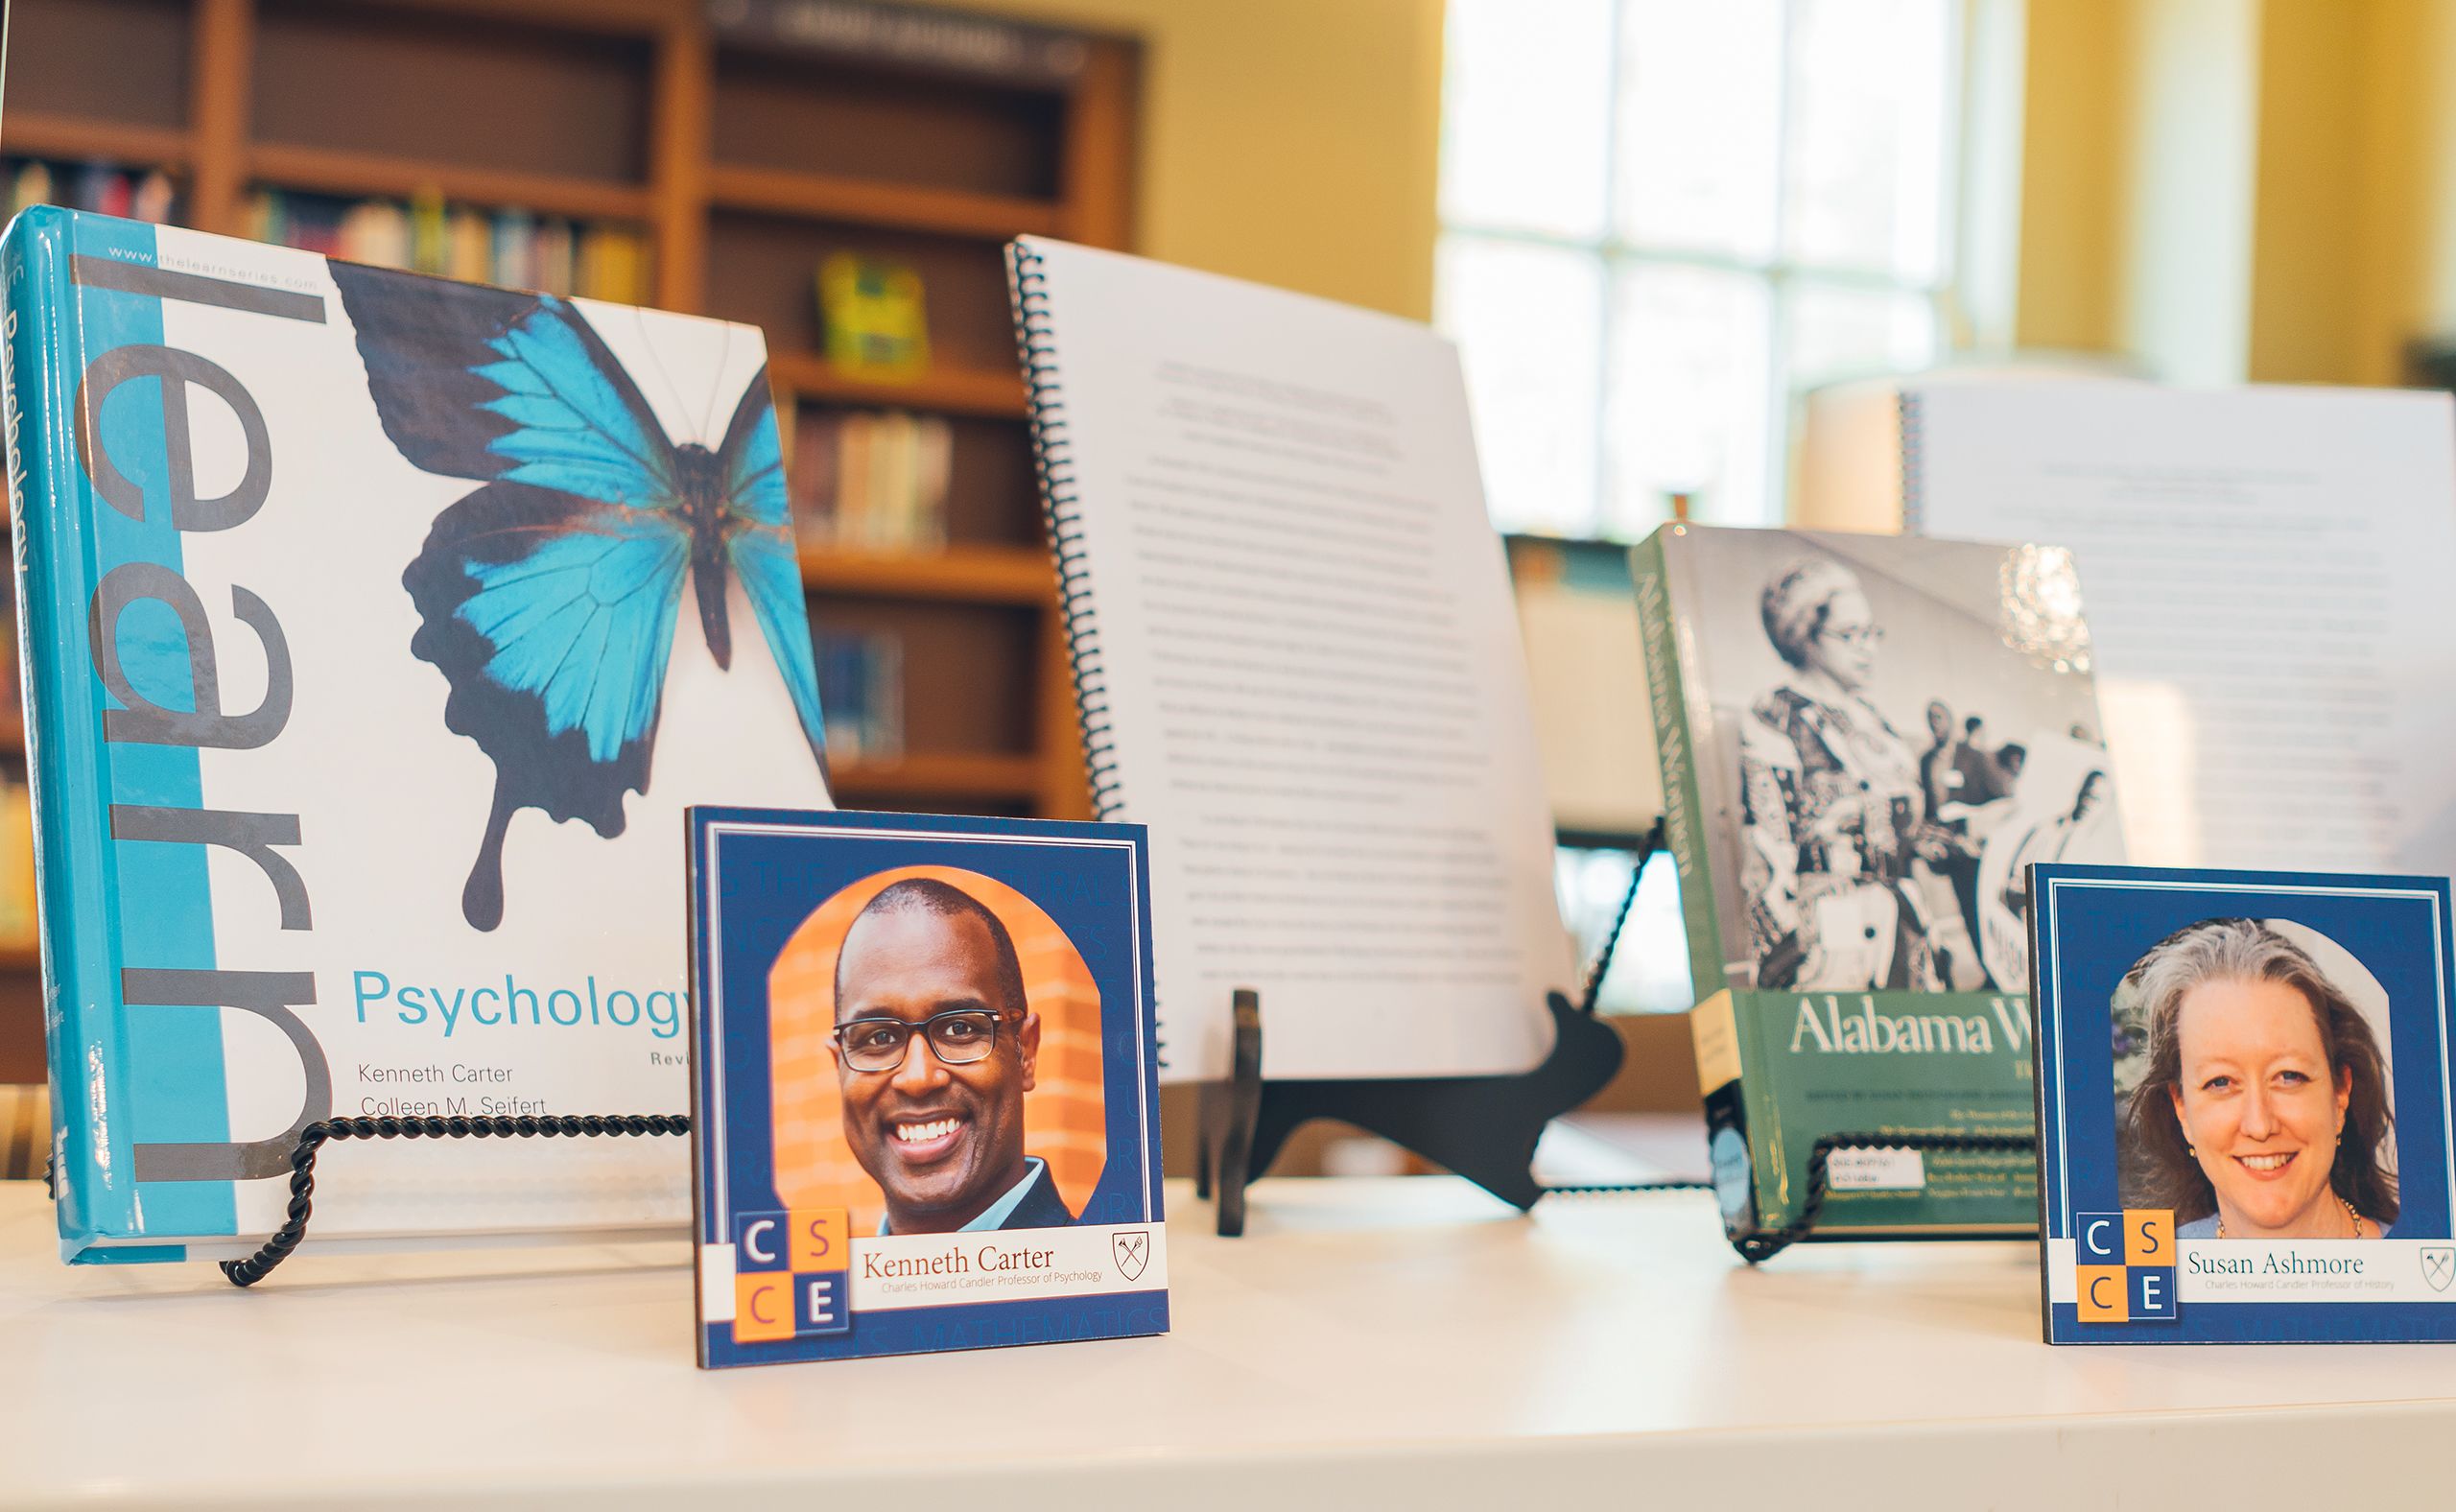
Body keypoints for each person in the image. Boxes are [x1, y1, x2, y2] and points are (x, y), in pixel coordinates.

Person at [1739, 557, 1969, 990]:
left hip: (1904, 915)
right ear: (1804, 635)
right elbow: (1768, 844)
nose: (1867, 648)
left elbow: (1903, 824)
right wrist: (1782, 958)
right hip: (1832, 932)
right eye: (1849, 635)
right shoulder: (1777, 713)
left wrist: (1945, 839)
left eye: (1871, 633)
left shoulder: (1875, 722)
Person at [2120, 918, 2397, 1240]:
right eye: (2220, 1082)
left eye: (2288, 1076)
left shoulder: (2425, 1270)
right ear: (2182, 1110)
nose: (2260, 1125)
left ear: (2340, 1093)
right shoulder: (2147, 1276)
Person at [830, 877, 1074, 1235]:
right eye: (880, 1037)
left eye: (959, 1029)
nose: (917, 1078)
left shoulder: (1098, 1286)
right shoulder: (833, 1288)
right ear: (838, 1068)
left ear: (1026, 1051)